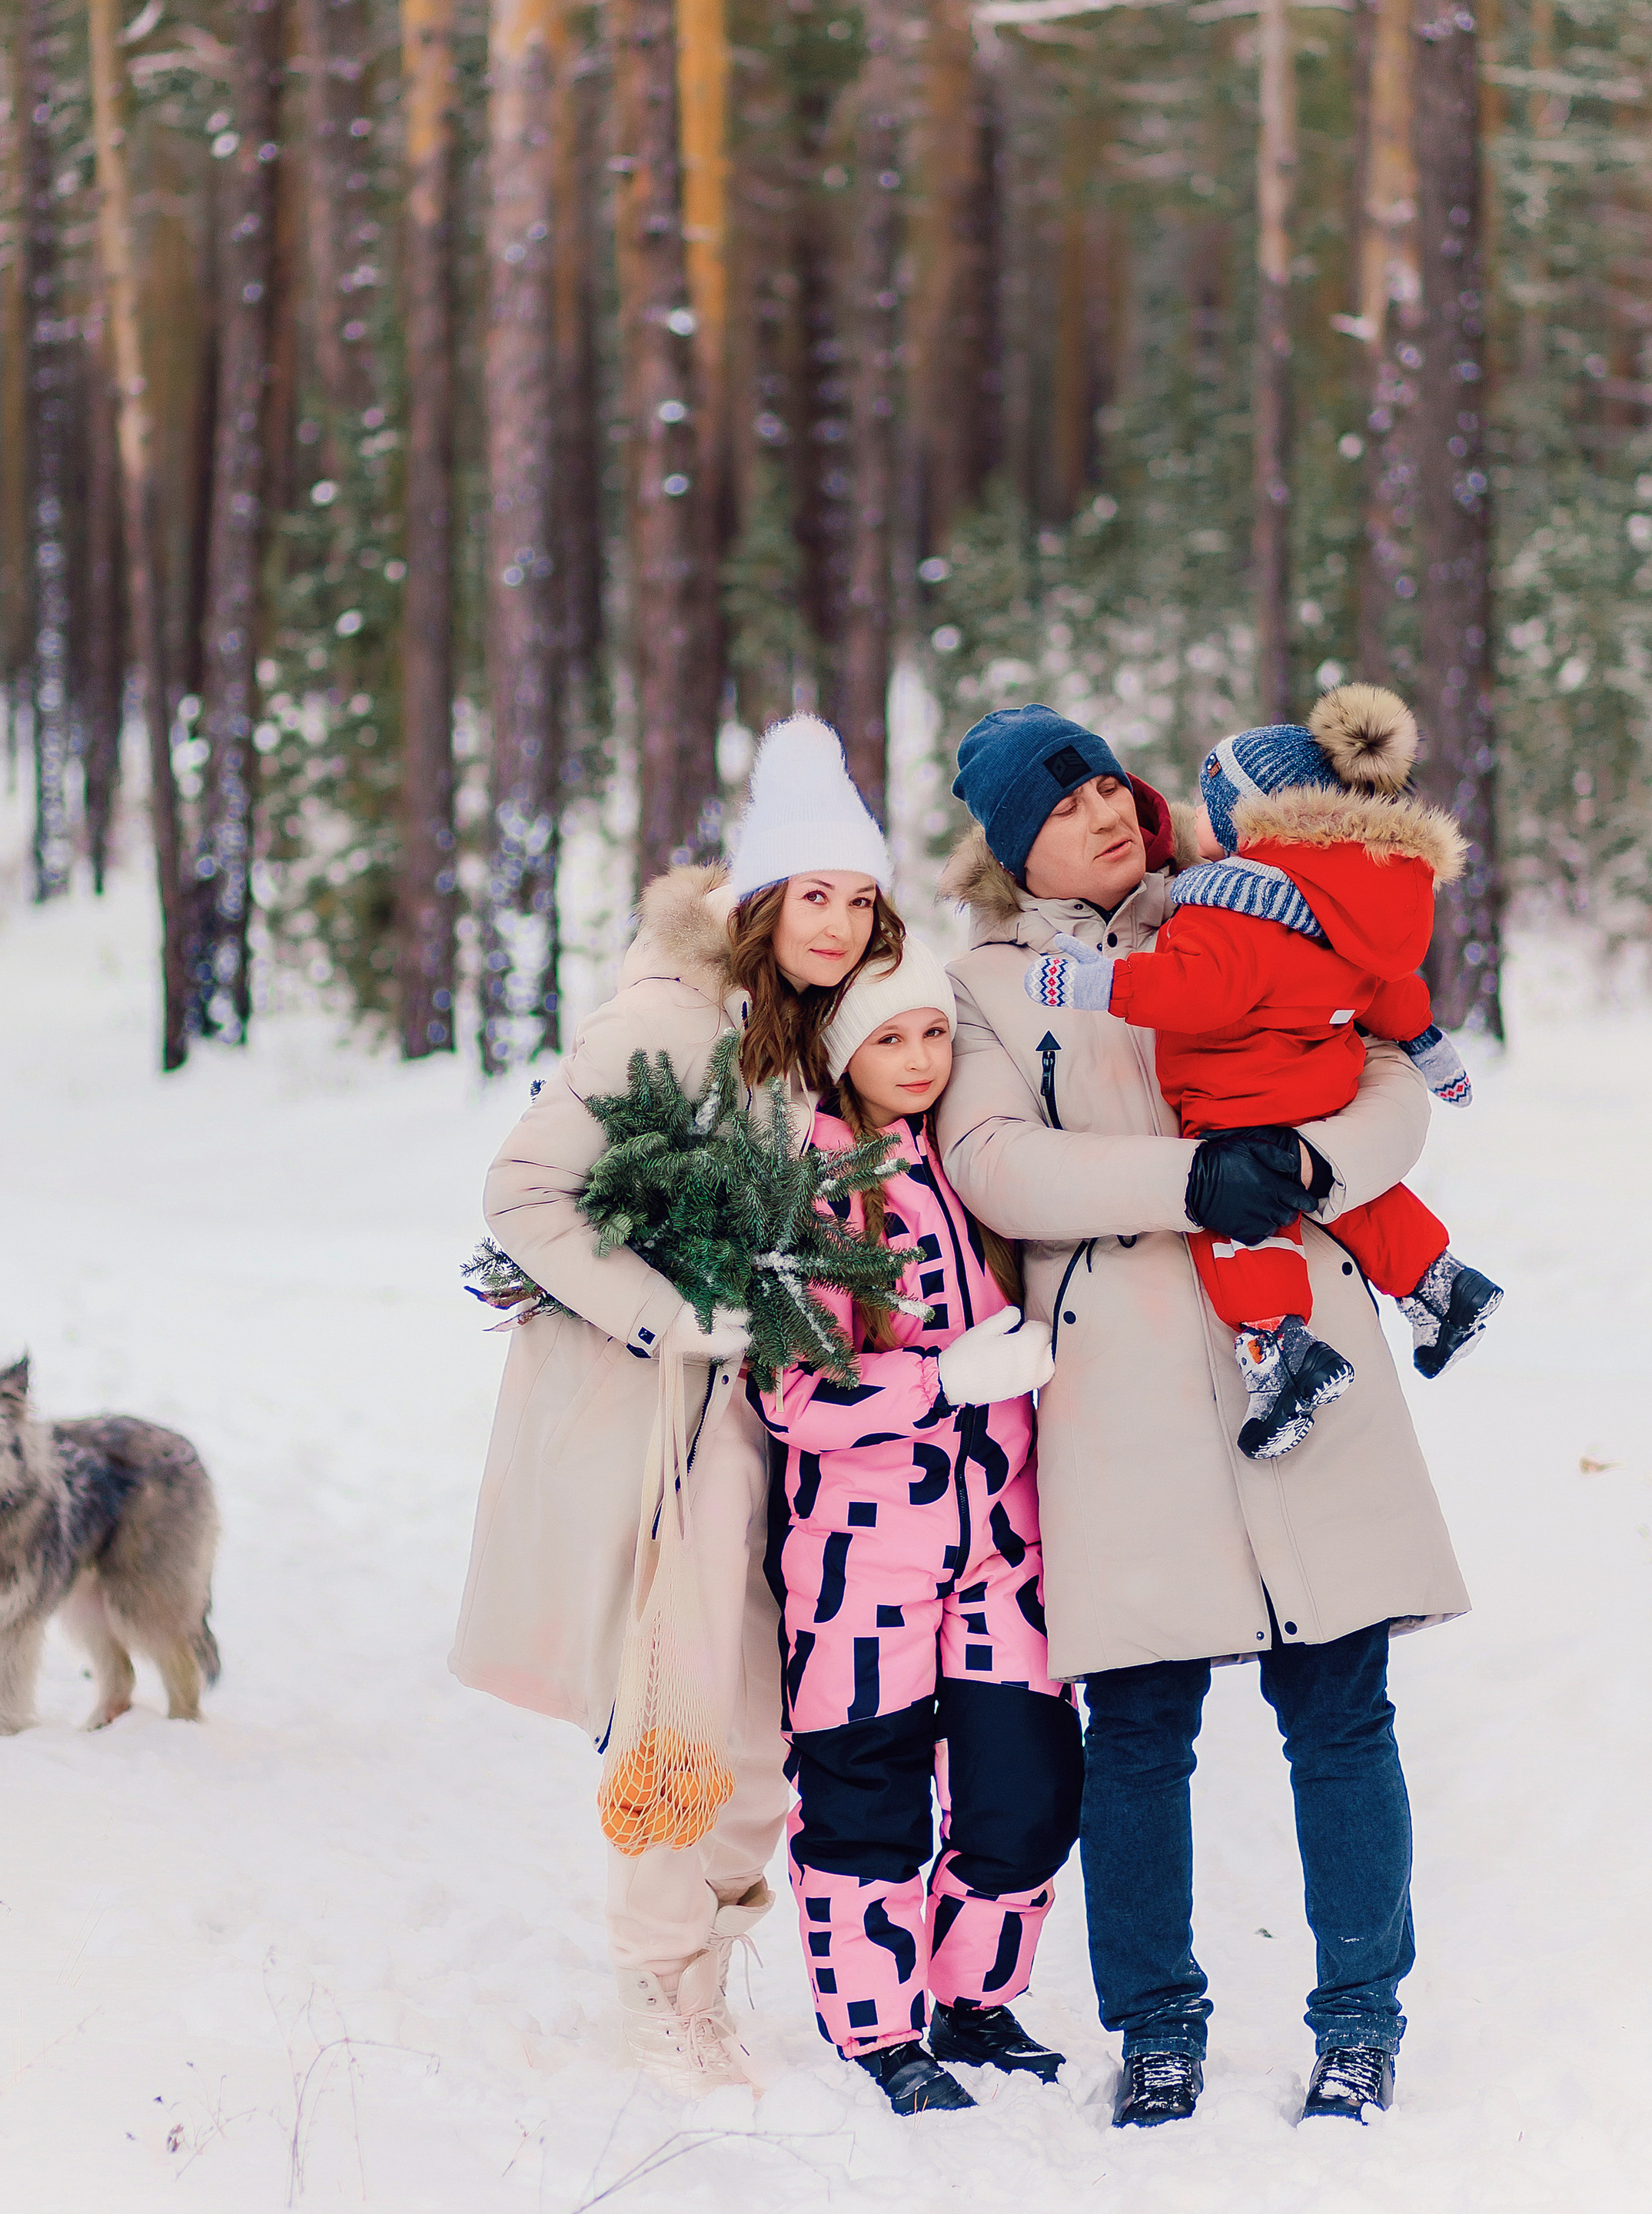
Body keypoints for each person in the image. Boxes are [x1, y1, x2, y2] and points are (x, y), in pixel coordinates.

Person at [936, 703, 1470, 2130]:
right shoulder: (990, 984)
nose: (1107, 814)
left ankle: (1361, 2022)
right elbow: (993, 1164)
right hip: (1121, 1381)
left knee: (1342, 1705)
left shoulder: (1252, 892)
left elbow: (1388, 1078)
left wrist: (1301, 1162)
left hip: (1301, 1335)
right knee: (1140, 1724)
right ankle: (1159, 2027)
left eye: (1111, 787)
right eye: (1066, 808)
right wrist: (1185, 1186)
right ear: (1016, 849)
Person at [452, 716, 905, 2093]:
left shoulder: (809, 1036)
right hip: (679, 1431)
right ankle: (664, 1992)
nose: (838, 925)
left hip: (788, 1426)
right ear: (760, 899)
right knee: (683, 1717)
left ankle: (699, 1955)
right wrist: (676, 1314)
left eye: (861, 901)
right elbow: (523, 1193)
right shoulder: (665, 1019)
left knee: (763, 1737)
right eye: (813, 895)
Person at [744, 937, 1080, 2116]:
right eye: (890, 1037)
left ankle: (974, 2000)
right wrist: (945, 1379)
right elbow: (792, 1392)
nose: (921, 1057)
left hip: (1001, 1547)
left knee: (1027, 1788)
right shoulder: (811, 1186)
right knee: (865, 1800)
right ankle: (880, 2033)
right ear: (843, 1052)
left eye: (934, 1031)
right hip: (860, 1560)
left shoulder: (975, 1161)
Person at [1026, 683, 1504, 1459]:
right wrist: (1427, 1045)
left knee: (1243, 1224)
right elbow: (1389, 989)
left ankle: (1278, 1349)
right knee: (1351, 1196)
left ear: (1247, 819)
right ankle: (1442, 1283)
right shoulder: (1336, 904)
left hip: (1240, 1100)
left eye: (1211, 803)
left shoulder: (1229, 909)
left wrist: (1097, 984)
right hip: (1321, 1090)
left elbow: (1195, 989)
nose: (1195, 820)